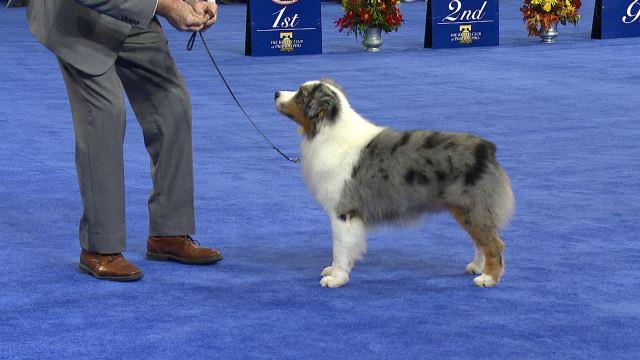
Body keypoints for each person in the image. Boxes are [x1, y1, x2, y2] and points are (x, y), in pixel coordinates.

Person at [27, 0, 223, 281]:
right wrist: (166, 6)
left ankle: (168, 233)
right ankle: (99, 248)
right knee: (105, 114)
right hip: (77, 15)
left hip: (132, 13)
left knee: (172, 104)